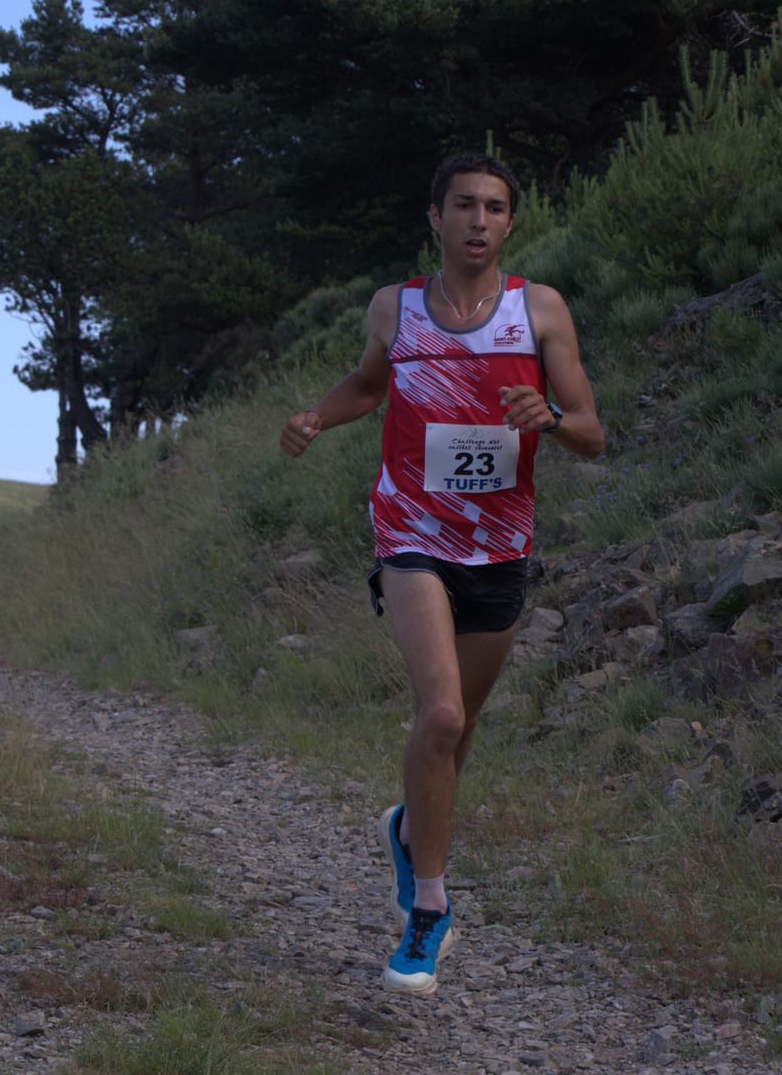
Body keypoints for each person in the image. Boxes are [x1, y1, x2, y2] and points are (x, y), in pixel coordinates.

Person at [278, 151, 604, 996]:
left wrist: (553, 415)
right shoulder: (398, 305)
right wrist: (320, 416)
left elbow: (593, 432)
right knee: (441, 709)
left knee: (454, 738)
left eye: (495, 208)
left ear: (509, 223)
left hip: (498, 545)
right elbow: (366, 384)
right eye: (464, 205)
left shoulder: (541, 310)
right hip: (413, 530)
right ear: (435, 216)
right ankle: (429, 908)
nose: (480, 221)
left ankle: (407, 829)